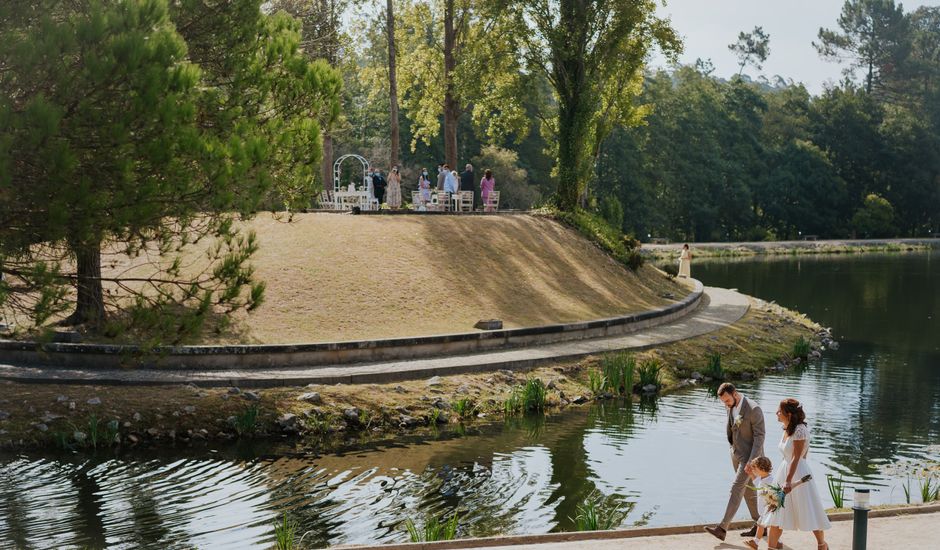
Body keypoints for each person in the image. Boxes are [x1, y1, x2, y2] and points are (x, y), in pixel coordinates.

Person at [766, 399, 830, 550]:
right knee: (777, 512)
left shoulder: (800, 430)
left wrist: (789, 480)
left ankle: (822, 545)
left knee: (808, 509)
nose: (776, 413)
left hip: (798, 473)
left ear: (788, 414)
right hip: (784, 470)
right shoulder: (786, 428)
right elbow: (787, 456)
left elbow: (797, 456)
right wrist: (782, 475)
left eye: (779, 411)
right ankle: (771, 548)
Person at [705, 382, 765, 542]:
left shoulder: (753, 409)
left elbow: (760, 437)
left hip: (750, 458)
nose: (725, 404)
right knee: (747, 491)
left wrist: (752, 461)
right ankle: (760, 524)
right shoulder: (730, 406)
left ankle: (722, 529)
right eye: (723, 401)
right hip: (736, 455)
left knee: (736, 488)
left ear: (735, 393)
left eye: (727, 400)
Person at [743, 456, 774, 550]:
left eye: (754, 468)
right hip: (764, 509)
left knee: (762, 524)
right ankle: (778, 542)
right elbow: (757, 484)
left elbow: (774, 495)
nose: (753, 470)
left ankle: (755, 542)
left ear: (762, 468)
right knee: (770, 527)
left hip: (769, 509)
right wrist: (751, 474)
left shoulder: (771, 481)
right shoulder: (763, 478)